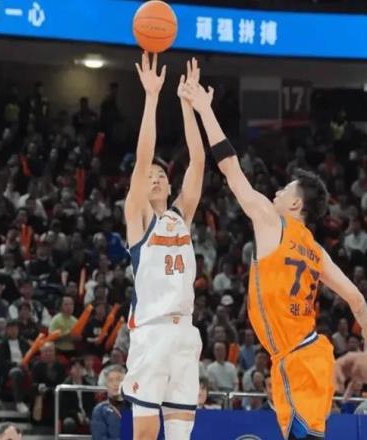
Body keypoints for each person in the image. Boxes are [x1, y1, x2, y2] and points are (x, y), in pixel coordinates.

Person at [180, 76, 367, 440]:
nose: (276, 192)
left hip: (296, 357)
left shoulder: (272, 222)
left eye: (284, 190)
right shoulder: (316, 251)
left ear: (296, 204)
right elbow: (356, 298)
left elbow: (230, 168)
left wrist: (205, 109)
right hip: (314, 354)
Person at [120, 54, 205, 440]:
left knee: (180, 435)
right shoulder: (138, 217)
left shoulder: (181, 215)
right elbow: (142, 160)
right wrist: (152, 98)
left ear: (170, 185)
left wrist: (187, 105)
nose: (154, 178)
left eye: (160, 175)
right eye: (149, 176)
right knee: (144, 433)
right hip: (151, 332)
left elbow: (198, 161)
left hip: (184, 331)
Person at [0, 319, 31, 414]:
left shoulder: (24, 343)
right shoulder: (2, 344)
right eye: (11, 329)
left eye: (15, 329)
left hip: (25, 367)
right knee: (16, 372)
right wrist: (16, 364)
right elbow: (1, 362)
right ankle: (19, 402)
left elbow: (31, 356)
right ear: (7, 330)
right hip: (10, 369)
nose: (13, 331)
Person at [90, 365, 129, 440]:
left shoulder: (132, 407)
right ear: (107, 385)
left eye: (119, 380)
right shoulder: (100, 411)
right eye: (111, 381)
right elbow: (99, 437)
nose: (115, 384)